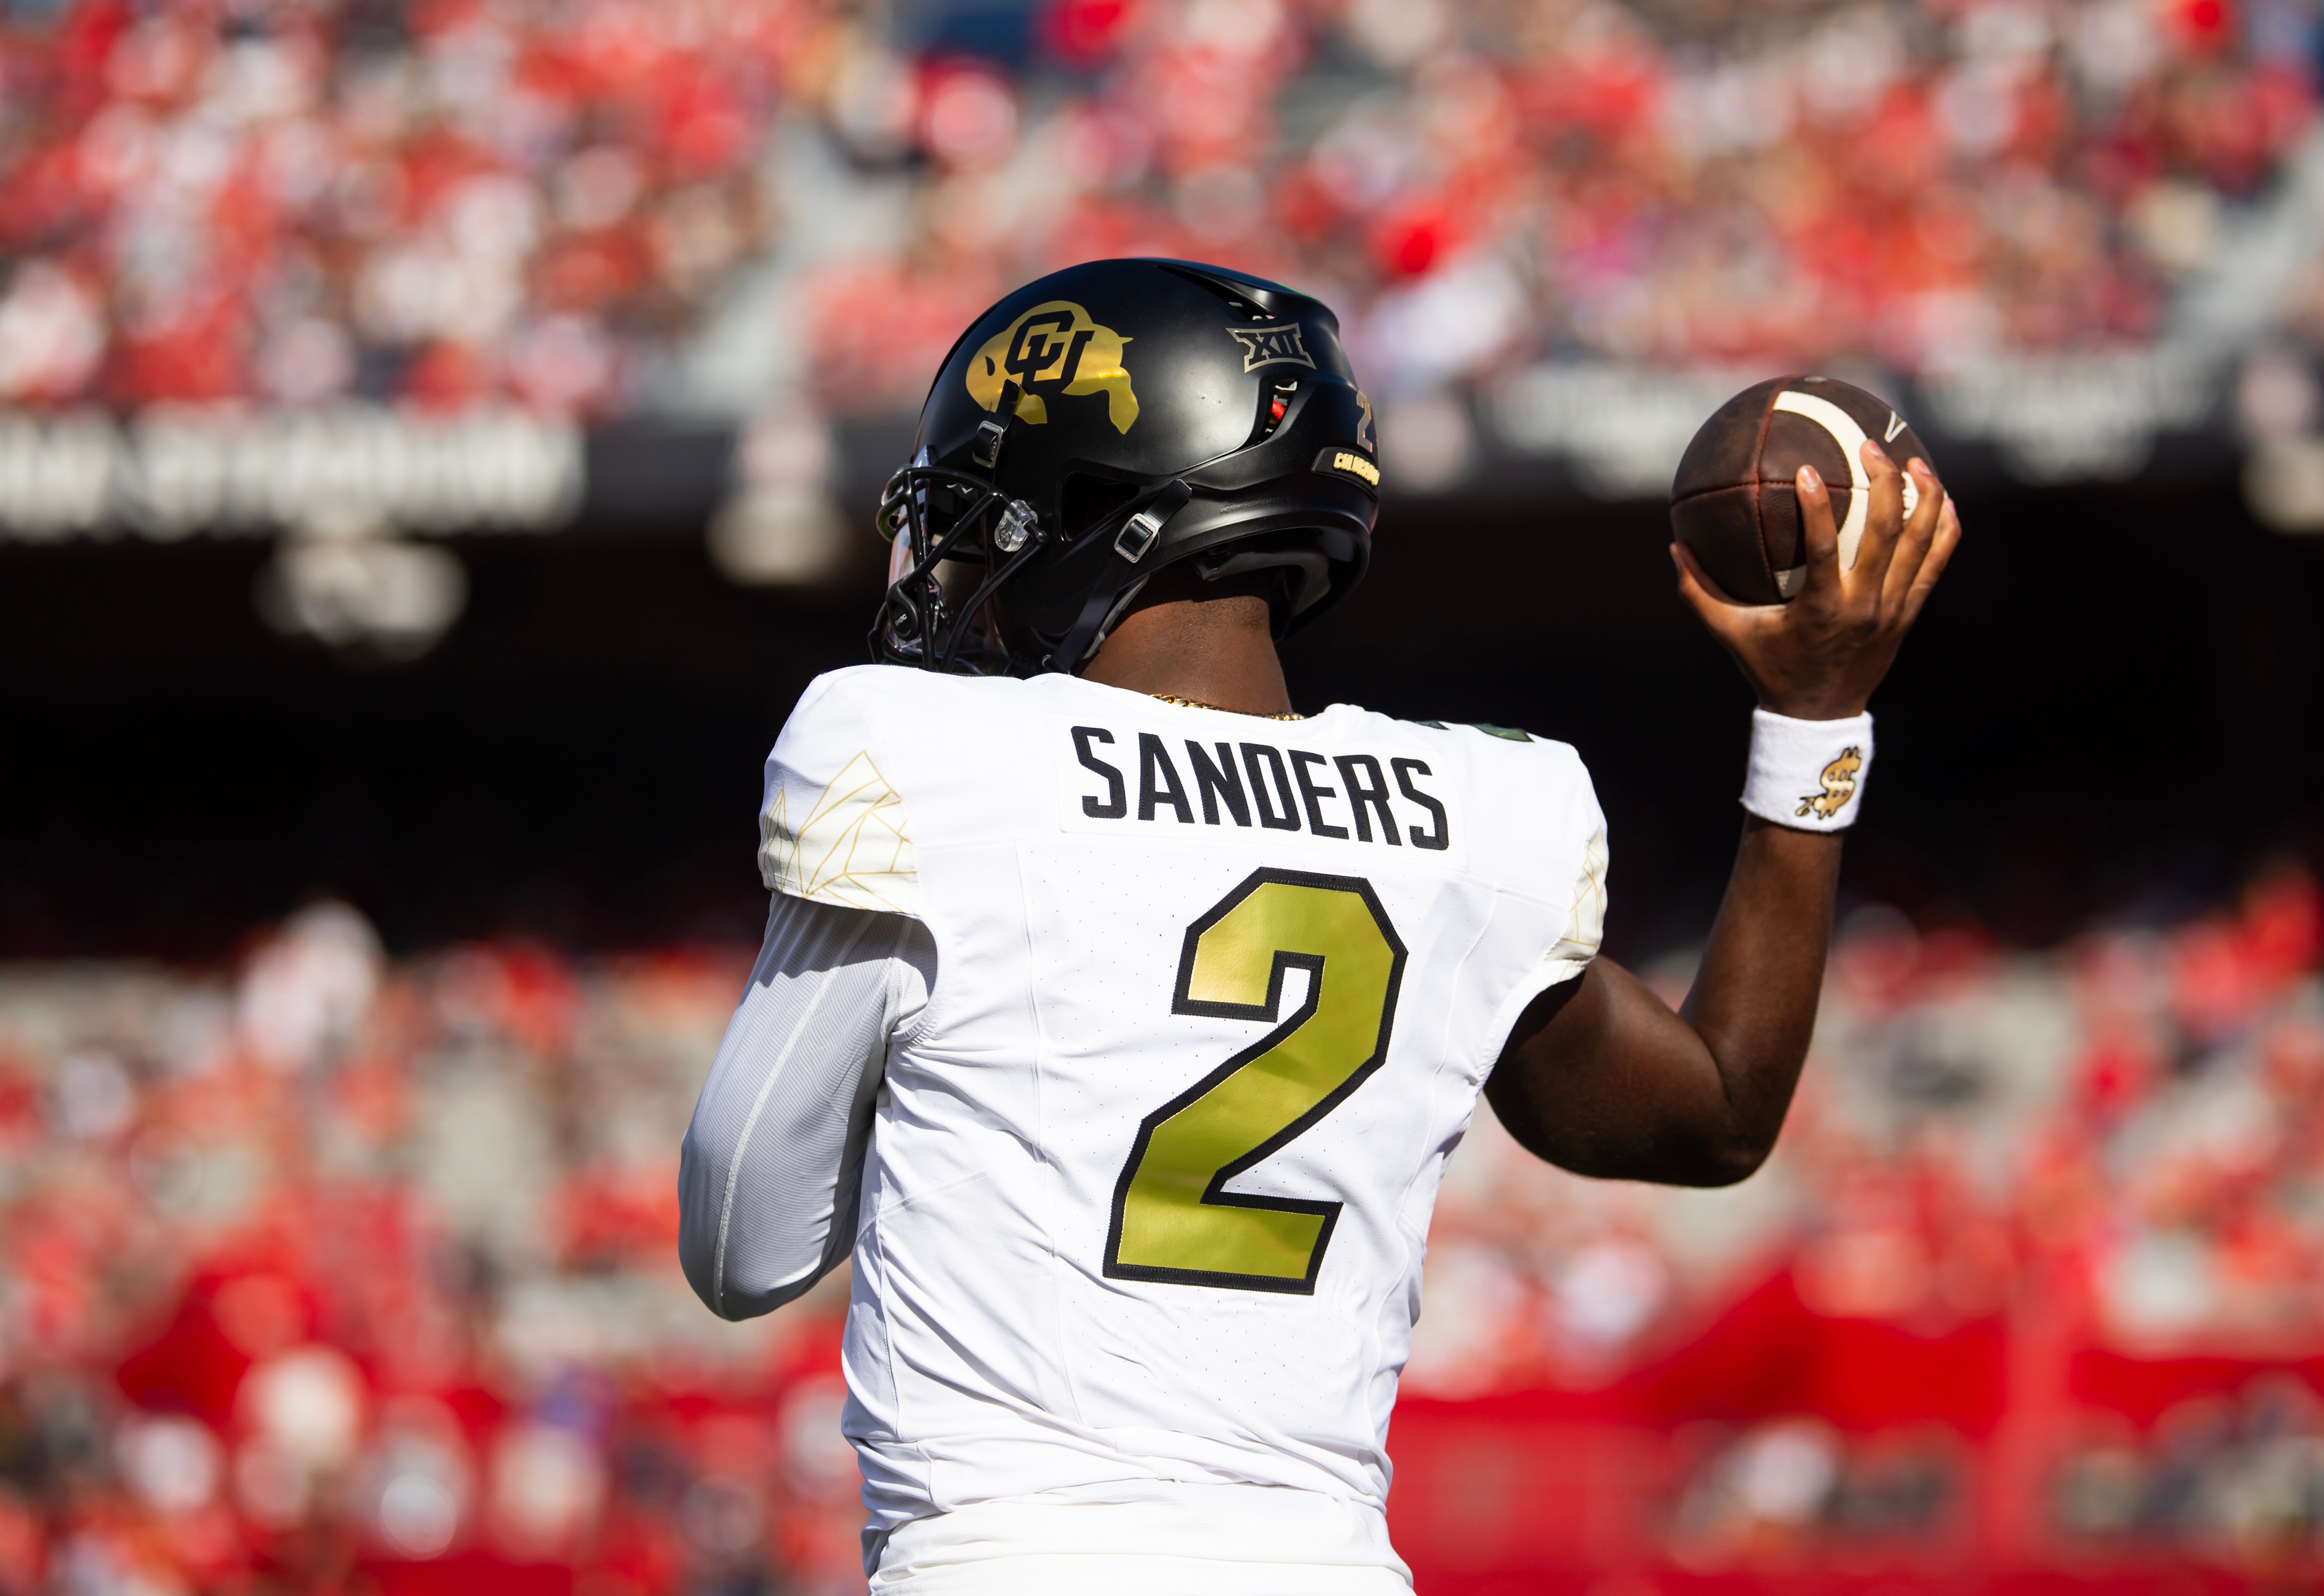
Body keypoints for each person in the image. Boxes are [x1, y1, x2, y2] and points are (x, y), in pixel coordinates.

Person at [677, 257, 1960, 1593]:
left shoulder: (923, 751)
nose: (962, 564)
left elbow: (742, 1246)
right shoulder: (1470, 811)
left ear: (1105, 510)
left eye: (991, 518)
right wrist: (1813, 722)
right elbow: (1715, 1113)